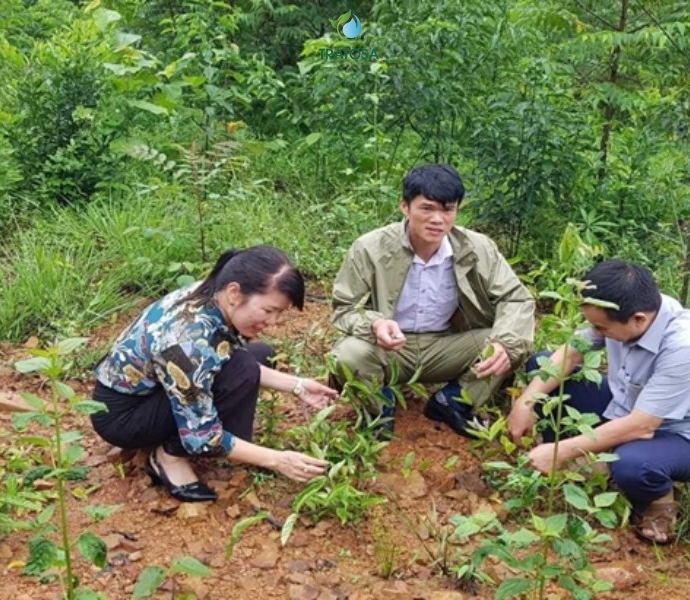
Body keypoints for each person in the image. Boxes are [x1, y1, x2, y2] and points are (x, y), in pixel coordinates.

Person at [91, 246, 338, 502]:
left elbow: (224, 355)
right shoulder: (186, 345)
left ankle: (184, 442)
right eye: (268, 310)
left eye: (279, 313)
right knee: (242, 370)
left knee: (259, 354)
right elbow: (205, 438)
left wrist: (298, 386)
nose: (273, 322)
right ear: (235, 292)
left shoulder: (212, 294)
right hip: (124, 417)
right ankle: (169, 455)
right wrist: (278, 460)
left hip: (158, 389)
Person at [507, 260, 690, 544]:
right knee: (543, 365)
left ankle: (658, 498)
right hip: (625, 407)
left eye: (601, 327)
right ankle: (571, 462)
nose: (596, 332)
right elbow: (572, 353)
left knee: (632, 464)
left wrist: (563, 450)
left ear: (638, 320)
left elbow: (643, 426)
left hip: (677, 438)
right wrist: (525, 402)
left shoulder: (686, 345)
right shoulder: (629, 308)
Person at [331, 164, 535, 437]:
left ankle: (453, 402)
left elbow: (516, 298)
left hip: (445, 346)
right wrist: (375, 324)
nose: (437, 219)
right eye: (427, 208)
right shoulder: (370, 247)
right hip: (389, 348)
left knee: (511, 343)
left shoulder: (477, 247)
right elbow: (344, 308)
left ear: (457, 210)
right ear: (405, 206)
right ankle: (378, 410)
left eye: (447, 209)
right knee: (348, 354)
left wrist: (503, 341)